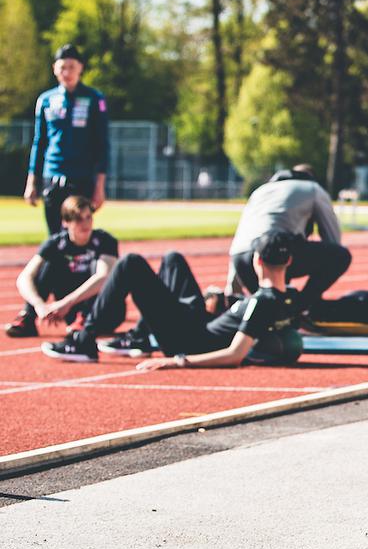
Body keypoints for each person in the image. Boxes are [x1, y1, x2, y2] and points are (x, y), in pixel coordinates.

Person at [41, 230, 303, 367]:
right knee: (172, 259)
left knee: (131, 264)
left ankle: (85, 340)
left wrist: (180, 361)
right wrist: (230, 304)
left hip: (190, 341)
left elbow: (234, 354)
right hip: (199, 323)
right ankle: (141, 336)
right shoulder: (286, 297)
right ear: (289, 261)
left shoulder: (261, 302)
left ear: (257, 260)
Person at [228, 164, 351, 313]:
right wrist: (311, 295)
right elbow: (333, 239)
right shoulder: (312, 189)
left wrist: (233, 287)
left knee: (270, 310)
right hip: (273, 254)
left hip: (241, 260)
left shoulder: (260, 191)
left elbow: (241, 238)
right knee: (341, 256)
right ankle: (299, 308)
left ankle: (280, 311)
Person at [5, 195, 119, 338]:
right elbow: (24, 278)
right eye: (78, 219)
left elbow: (103, 277)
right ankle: (28, 317)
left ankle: (84, 318)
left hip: (104, 310)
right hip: (70, 309)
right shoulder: (56, 243)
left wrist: (66, 303)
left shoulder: (105, 241)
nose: (85, 223)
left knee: (98, 266)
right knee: (49, 264)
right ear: (66, 222)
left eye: (88, 217)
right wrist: (39, 305)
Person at [25, 44, 110, 235]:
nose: (67, 72)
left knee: (79, 233)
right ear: (55, 68)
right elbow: (39, 142)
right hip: (52, 175)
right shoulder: (46, 100)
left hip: (82, 177)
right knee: (54, 237)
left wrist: (100, 185)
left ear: (80, 68)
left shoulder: (95, 99)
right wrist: (32, 181)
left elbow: (102, 143)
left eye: (71, 67)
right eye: (62, 67)